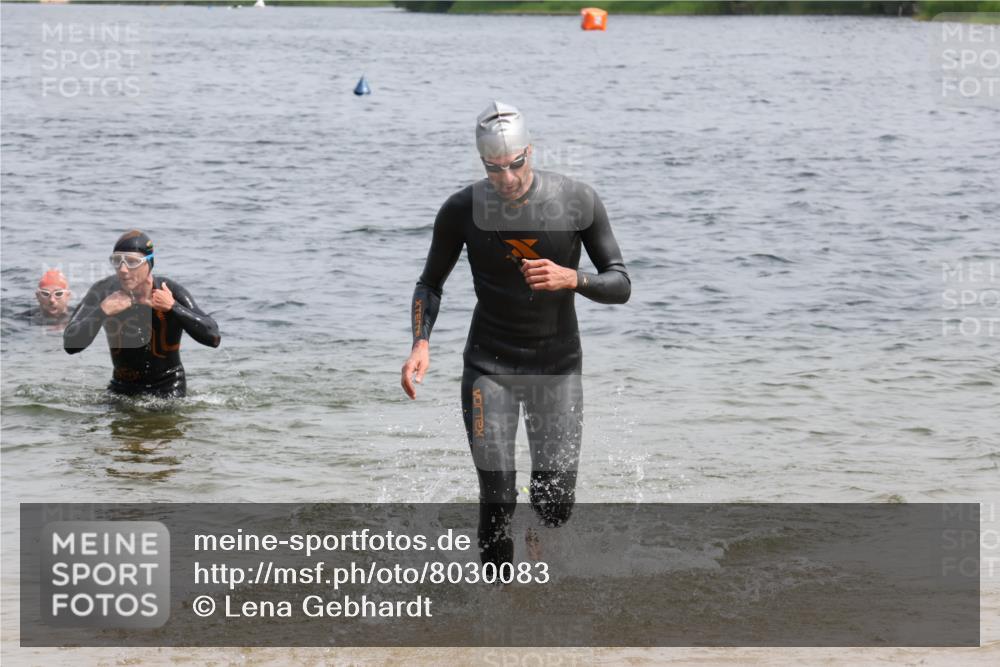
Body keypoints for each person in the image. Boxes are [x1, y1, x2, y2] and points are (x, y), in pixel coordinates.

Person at [401, 101, 631, 568]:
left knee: (555, 505)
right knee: (498, 497)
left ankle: (537, 546)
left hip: (558, 367)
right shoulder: (462, 209)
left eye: (515, 164)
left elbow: (620, 283)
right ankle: (495, 614)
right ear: (482, 161)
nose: (505, 177)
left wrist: (574, 279)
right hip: (490, 365)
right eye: (494, 167)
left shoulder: (577, 200)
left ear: (530, 150)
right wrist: (420, 343)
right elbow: (430, 283)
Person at [64, 230, 221, 398]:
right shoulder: (103, 291)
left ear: (149, 264)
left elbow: (213, 337)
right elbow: (70, 345)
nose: (123, 269)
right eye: (117, 261)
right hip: (120, 388)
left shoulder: (169, 291)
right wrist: (101, 312)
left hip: (168, 387)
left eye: (132, 262)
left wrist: (174, 307)